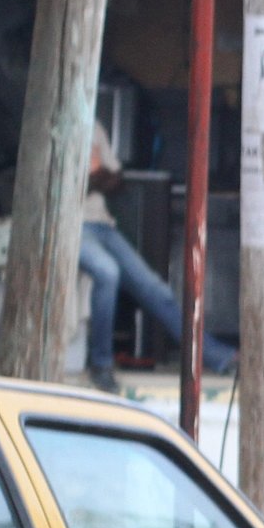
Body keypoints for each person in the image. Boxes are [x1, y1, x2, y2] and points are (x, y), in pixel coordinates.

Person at [79, 133, 233, 392]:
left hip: (102, 223)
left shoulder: (93, 127)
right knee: (108, 272)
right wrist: (94, 176)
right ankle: (101, 364)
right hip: (69, 225)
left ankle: (217, 356)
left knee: (155, 288)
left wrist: (94, 177)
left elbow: (117, 180)